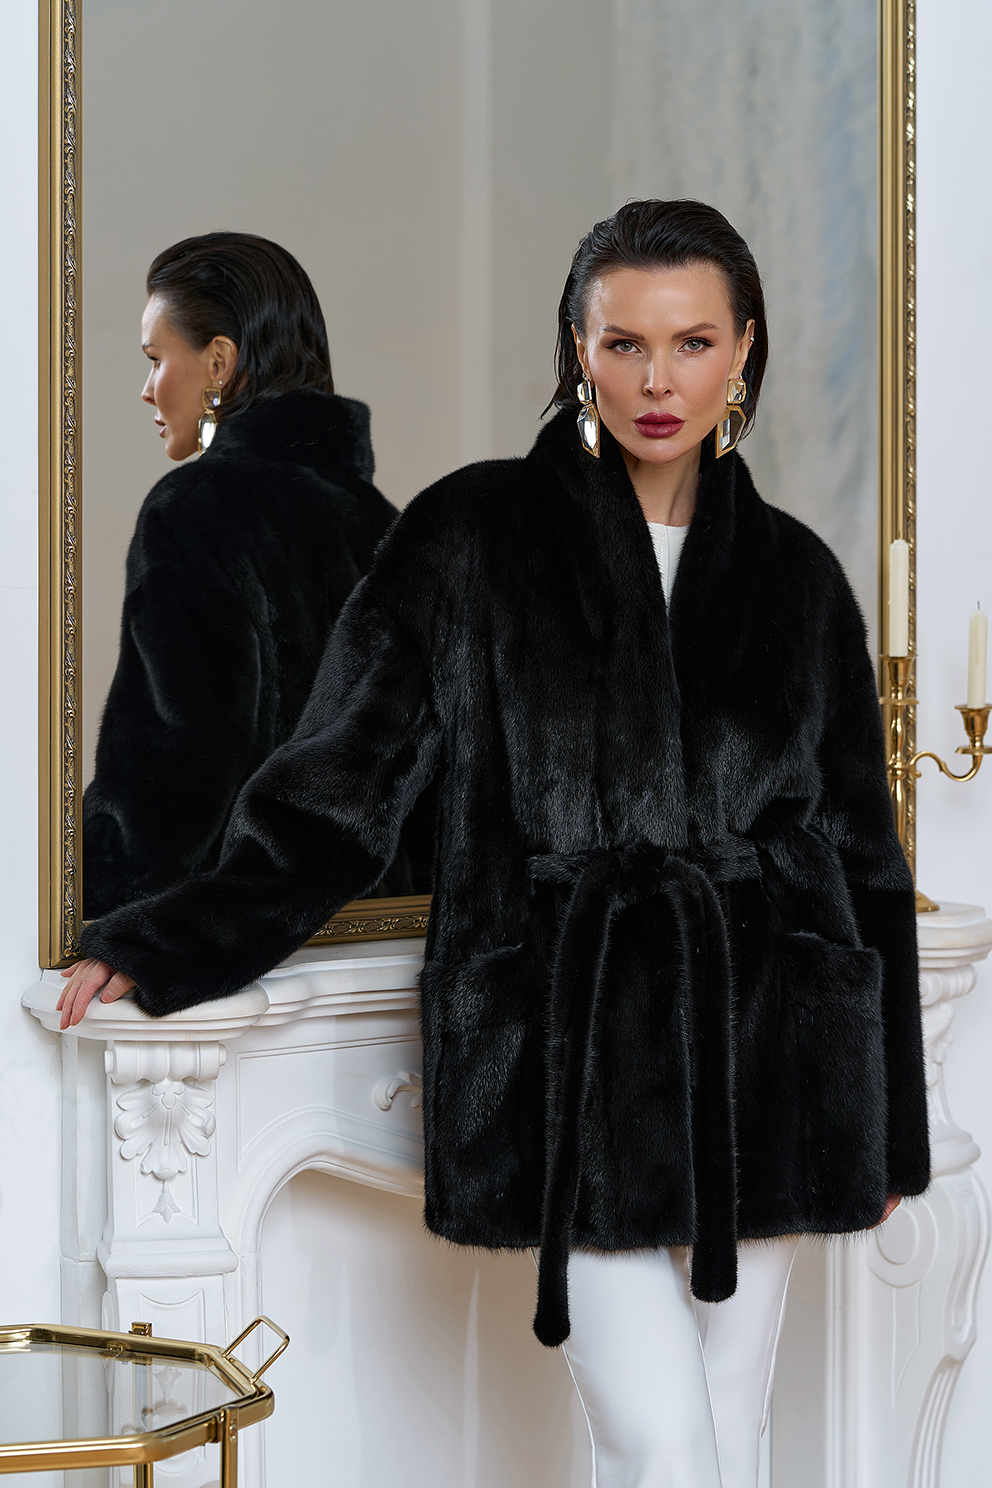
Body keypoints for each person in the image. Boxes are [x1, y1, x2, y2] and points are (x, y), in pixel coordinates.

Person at [62, 201, 929, 1488]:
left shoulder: (795, 577)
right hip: (564, 1050)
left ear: (742, 348)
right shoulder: (469, 537)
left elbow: (860, 855)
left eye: (691, 342)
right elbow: (339, 785)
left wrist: (891, 1118)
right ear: (577, 348)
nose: (656, 381)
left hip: (769, 1053)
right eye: (623, 343)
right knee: (664, 1443)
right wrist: (172, 938)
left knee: (727, 1435)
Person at [82, 231, 402, 916]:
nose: (147, 390)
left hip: (232, 946)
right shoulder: (387, 524)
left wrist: (93, 909)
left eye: (155, 359)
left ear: (220, 362)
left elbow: (174, 773)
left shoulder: (195, 508)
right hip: (382, 935)